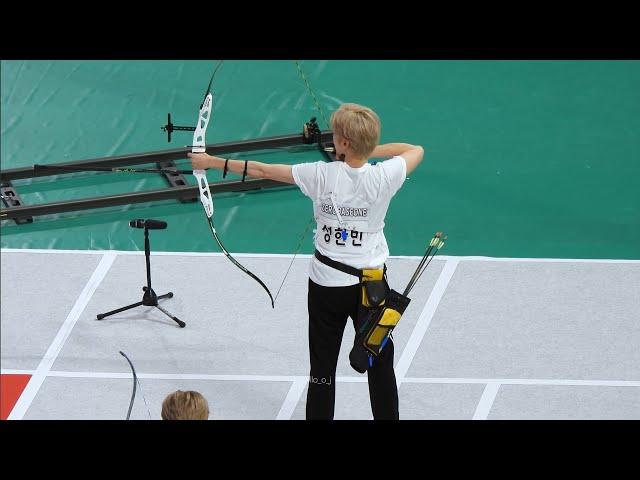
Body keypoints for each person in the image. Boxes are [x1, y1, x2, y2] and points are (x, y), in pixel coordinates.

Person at [189, 103, 424, 420]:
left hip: (327, 286)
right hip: (372, 287)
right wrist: (368, 150)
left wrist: (209, 161)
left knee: (322, 371)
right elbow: (415, 149)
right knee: (379, 362)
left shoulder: (319, 174)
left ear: (343, 143)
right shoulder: (385, 176)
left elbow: (261, 170)